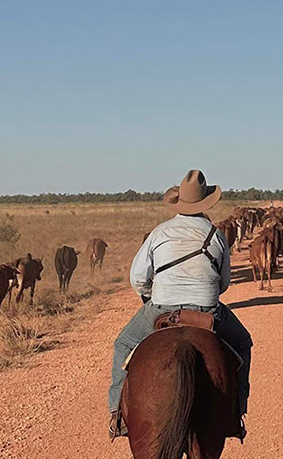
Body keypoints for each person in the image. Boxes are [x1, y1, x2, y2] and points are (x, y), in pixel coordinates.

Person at [108, 169, 252, 441]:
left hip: (162, 308)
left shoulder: (159, 232)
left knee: (124, 344)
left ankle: (116, 415)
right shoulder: (216, 235)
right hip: (207, 311)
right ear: (206, 202)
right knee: (243, 343)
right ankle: (237, 413)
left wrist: (152, 294)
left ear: (179, 202)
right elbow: (223, 284)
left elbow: (137, 278)